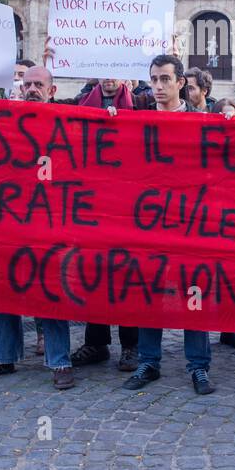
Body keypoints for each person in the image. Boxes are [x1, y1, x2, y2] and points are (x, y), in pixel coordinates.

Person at [0, 65, 78, 389]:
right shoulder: (9, 119)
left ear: (52, 90)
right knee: (6, 287)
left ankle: (59, 361)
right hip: (12, 220)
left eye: (38, 85)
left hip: (51, 221)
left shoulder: (66, 122)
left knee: (51, 288)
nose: (31, 89)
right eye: (27, 84)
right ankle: (2, 356)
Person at [121, 55, 218, 394]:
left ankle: (199, 366)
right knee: (151, 295)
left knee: (194, 294)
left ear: (181, 83)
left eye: (165, 79)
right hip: (149, 225)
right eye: (153, 80)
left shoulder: (202, 122)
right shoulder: (137, 122)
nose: (158, 86)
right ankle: (149, 362)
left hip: (191, 225)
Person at [69, 77, 140, 371]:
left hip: (130, 199)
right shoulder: (81, 100)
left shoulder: (144, 100)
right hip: (93, 200)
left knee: (128, 275)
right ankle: (95, 342)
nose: (110, 77)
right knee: (94, 273)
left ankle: (130, 346)